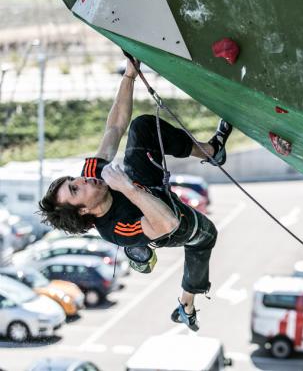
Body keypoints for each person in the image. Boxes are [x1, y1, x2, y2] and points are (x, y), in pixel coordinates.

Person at [38, 58, 232, 331]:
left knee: (141, 126)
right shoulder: (115, 228)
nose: (81, 179)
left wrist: (129, 75)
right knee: (205, 235)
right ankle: (183, 300)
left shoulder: (94, 174)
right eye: (75, 188)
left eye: (73, 179)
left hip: (140, 186)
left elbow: (115, 126)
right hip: (161, 218)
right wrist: (126, 188)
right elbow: (168, 224)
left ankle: (212, 152)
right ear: (82, 210)